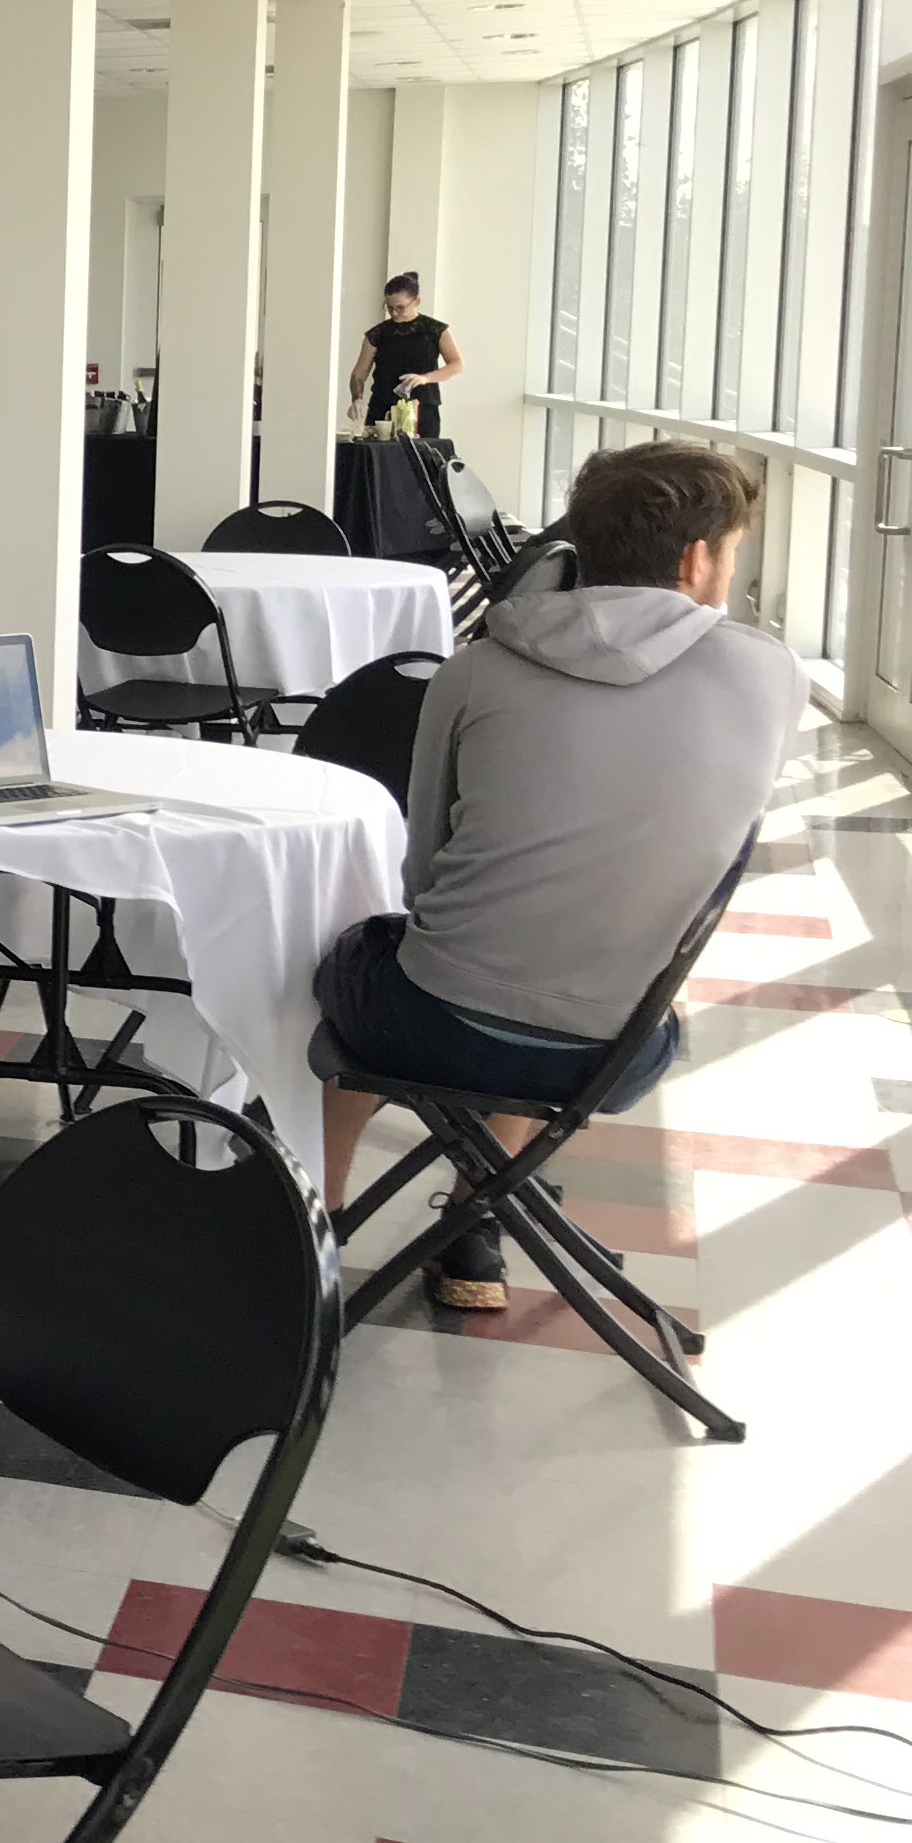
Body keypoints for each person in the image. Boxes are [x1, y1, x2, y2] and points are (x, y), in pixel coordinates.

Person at [314, 440, 800, 1307]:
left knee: (347, 955)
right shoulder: (771, 676)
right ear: (694, 559)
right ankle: (473, 1231)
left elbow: (420, 866)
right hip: (614, 1053)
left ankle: (320, 1216)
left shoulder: (474, 668)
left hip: (429, 1023)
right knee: (578, 955)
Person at [348, 271, 462, 439]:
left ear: (416, 301)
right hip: (383, 407)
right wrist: (357, 398)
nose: (394, 313)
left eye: (400, 308)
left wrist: (426, 378)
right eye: (389, 308)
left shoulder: (436, 330)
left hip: (423, 408)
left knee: (420, 461)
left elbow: (457, 364)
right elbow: (359, 373)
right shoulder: (377, 333)